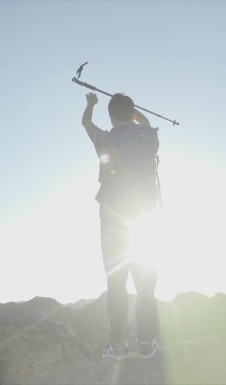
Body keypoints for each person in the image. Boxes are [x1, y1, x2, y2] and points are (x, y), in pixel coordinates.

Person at [82, 92, 161, 360]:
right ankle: (147, 343)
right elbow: (146, 120)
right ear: (131, 112)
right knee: (145, 283)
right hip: (144, 220)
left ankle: (117, 346)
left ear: (112, 116)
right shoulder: (148, 137)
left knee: (116, 283)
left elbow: (86, 123)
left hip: (114, 224)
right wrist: (131, 109)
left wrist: (91, 104)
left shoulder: (106, 139)